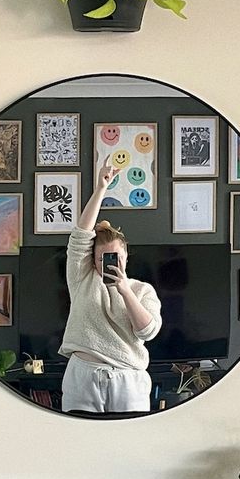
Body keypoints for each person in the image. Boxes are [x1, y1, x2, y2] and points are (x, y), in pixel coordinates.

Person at [58, 156, 162, 414]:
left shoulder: (142, 290)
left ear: (126, 256)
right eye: (101, 258)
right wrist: (101, 189)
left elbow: (147, 331)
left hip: (128, 380)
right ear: (92, 260)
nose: (108, 263)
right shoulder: (82, 278)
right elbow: (81, 235)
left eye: (115, 257)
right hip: (83, 376)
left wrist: (125, 290)